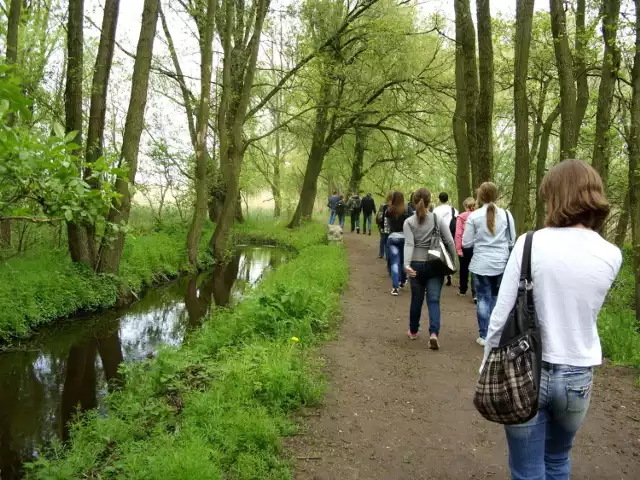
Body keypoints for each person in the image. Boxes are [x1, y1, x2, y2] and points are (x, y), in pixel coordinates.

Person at [482, 160, 621, 480]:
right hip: (578, 376)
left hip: (523, 368)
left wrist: (489, 361)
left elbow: (501, 317)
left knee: (527, 470)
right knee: (558, 460)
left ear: (555, 198)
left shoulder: (529, 244)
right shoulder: (612, 254)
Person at [462, 182, 515, 346]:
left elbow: (466, 243)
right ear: (496, 195)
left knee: (483, 299)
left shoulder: (474, 216)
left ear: (480, 196)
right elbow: (512, 240)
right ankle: (496, 333)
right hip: (501, 263)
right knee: (497, 298)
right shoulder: (506, 215)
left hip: (481, 264)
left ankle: (484, 335)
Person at [404, 188, 456, 349]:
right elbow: (449, 242)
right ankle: (433, 334)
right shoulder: (437, 219)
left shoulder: (408, 222)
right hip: (435, 265)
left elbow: (409, 244)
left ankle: (413, 331)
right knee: (434, 300)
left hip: (416, 264)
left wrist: (406, 264)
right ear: (429, 201)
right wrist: (453, 262)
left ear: (413, 201)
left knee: (416, 300)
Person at [385, 191, 408, 296]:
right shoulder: (406, 210)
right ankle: (402, 281)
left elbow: (387, 223)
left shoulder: (388, 210)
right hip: (404, 238)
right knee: (403, 261)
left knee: (394, 262)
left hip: (392, 237)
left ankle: (395, 287)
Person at [433, 192, 458, 286]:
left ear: (439, 199)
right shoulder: (453, 210)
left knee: (440, 253)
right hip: (450, 233)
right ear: (447, 199)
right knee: (450, 252)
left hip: (439, 234)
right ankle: (450, 273)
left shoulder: (436, 210)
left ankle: (440, 273)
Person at [455, 197, 476, 302]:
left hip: (465, 246)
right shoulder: (479, 216)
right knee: (475, 269)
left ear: (465, 206)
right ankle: (475, 292)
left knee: (464, 268)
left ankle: (463, 290)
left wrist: (458, 249)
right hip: (477, 246)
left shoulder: (461, 217)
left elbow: (458, 234)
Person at [377, 192, 392, 260]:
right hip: (386, 226)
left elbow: (379, 216)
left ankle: (382, 253)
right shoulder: (385, 206)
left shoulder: (383, 205)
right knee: (386, 240)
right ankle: (386, 255)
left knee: (383, 240)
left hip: (383, 226)